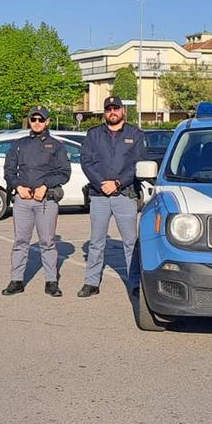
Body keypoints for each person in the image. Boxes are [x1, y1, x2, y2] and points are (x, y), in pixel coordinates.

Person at [1, 106, 72, 297]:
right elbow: (9, 170)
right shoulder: (19, 145)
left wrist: (45, 186)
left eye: (41, 119)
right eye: (34, 119)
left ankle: (51, 281)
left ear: (47, 121)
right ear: (29, 121)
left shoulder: (56, 146)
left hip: (46, 201)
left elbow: (65, 173)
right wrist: (18, 186)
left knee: (47, 242)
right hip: (23, 200)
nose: (37, 123)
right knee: (20, 241)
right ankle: (16, 280)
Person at [78, 96, 145, 298]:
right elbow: (86, 162)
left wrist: (117, 183)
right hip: (99, 195)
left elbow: (139, 164)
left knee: (130, 242)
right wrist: (101, 183)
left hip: (125, 193)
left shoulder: (135, 134)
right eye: (109, 109)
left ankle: (135, 283)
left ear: (123, 111)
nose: (112, 112)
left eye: (116, 108)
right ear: (104, 112)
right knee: (96, 242)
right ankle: (91, 282)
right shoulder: (94, 134)